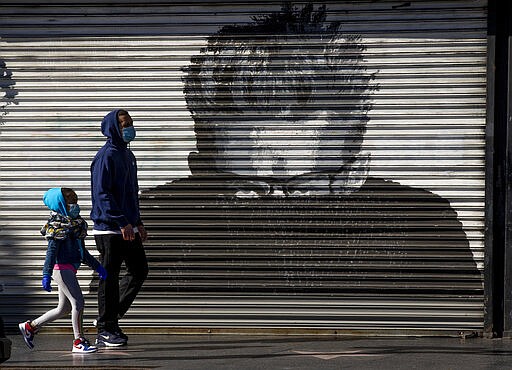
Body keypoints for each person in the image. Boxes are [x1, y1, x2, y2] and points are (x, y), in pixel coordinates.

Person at [139, 4, 481, 299]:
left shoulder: (419, 222)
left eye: (305, 186)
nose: (277, 213)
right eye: (249, 189)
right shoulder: (158, 222)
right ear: (201, 169)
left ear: (357, 168)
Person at [18, 187, 107, 354]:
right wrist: (46, 274)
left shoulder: (76, 225)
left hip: (70, 269)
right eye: (71, 203)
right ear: (60, 205)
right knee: (78, 303)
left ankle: (30, 327)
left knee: (64, 309)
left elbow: (82, 252)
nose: (75, 206)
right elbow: (51, 253)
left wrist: (98, 267)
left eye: (76, 202)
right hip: (62, 269)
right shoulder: (57, 226)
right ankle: (78, 341)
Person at [90, 109, 148, 347]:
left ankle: (109, 317)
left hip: (127, 226)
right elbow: (102, 194)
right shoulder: (106, 156)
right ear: (113, 127)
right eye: (125, 124)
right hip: (109, 229)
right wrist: (121, 221)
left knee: (139, 270)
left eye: (131, 123)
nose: (129, 128)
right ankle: (106, 328)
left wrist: (137, 222)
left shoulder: (127, 155)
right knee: (109, 279)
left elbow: (130, 194)